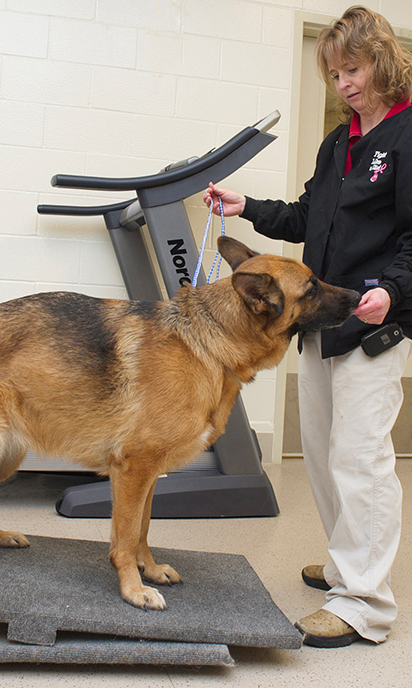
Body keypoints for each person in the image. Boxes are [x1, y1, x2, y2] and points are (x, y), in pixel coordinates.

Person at [204, 6, 412, 648]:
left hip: (376, 322)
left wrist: (394, 289)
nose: (344, 83)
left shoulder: (407, 136)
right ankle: (349, 562)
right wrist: (249, 208)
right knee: (323, 453)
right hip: (323, 318)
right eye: (334, 73)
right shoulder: (338, 141)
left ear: (382, 60)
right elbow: (306, 218)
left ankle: (365, 604)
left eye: (353, 69)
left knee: (360, 459)